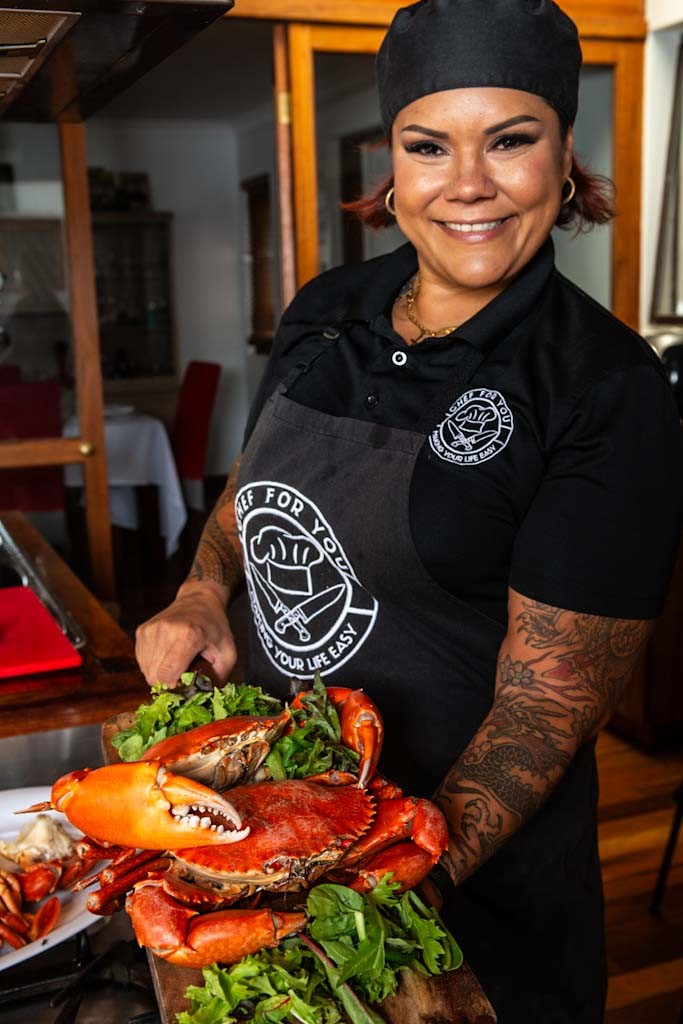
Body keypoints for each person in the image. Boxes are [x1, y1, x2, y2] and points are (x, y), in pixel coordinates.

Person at [136, 1, 682, 1019]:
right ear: (391, 171)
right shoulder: (324, 307)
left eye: (509, 141)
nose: (465, 183)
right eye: (428, 146)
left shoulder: (601, 390)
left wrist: (369, 885)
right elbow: (254, 488)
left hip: (458, 894)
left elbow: (540, 715)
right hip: (259, 833)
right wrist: (205, 591)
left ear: (562, 156)